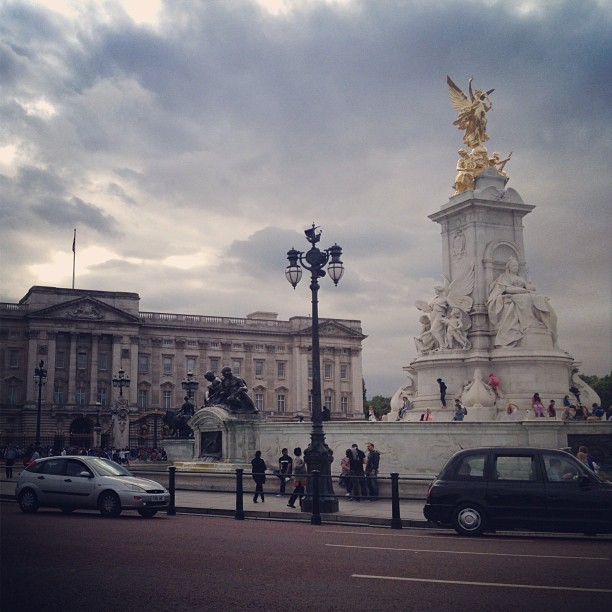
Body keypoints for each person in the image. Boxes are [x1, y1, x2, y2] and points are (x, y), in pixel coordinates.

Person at [487, 256, 557, 348]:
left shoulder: (520, 278)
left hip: (524, 294)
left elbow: (528, 288)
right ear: (509, 267)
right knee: (525, 299)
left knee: (540, 298)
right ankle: (528, 323)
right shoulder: (505, 277)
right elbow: (506, 288)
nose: (516, 268)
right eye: (514, 266)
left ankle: (544, 324)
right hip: (514, 295)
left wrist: (530, 287)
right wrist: (522, 291)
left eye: (517, 266)